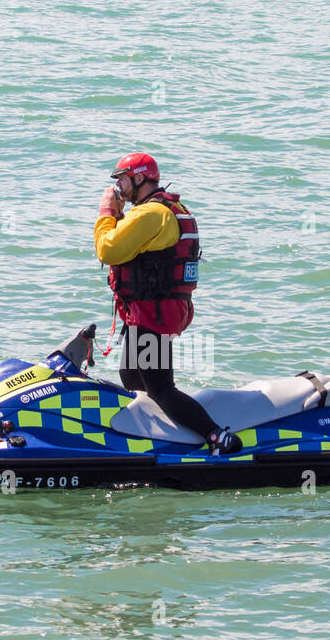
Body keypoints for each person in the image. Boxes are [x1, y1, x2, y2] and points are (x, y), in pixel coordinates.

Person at [95, 153, 243, 454]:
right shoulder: (164, 210)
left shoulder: (150, 214)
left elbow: (107, 250)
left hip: (153, 314)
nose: (118, 186)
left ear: (138, 178)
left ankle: (217, 437)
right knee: (132, 377)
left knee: (161, 389)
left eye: (121, 179)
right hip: (153, 311)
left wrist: (107, 211)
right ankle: (154, 435)